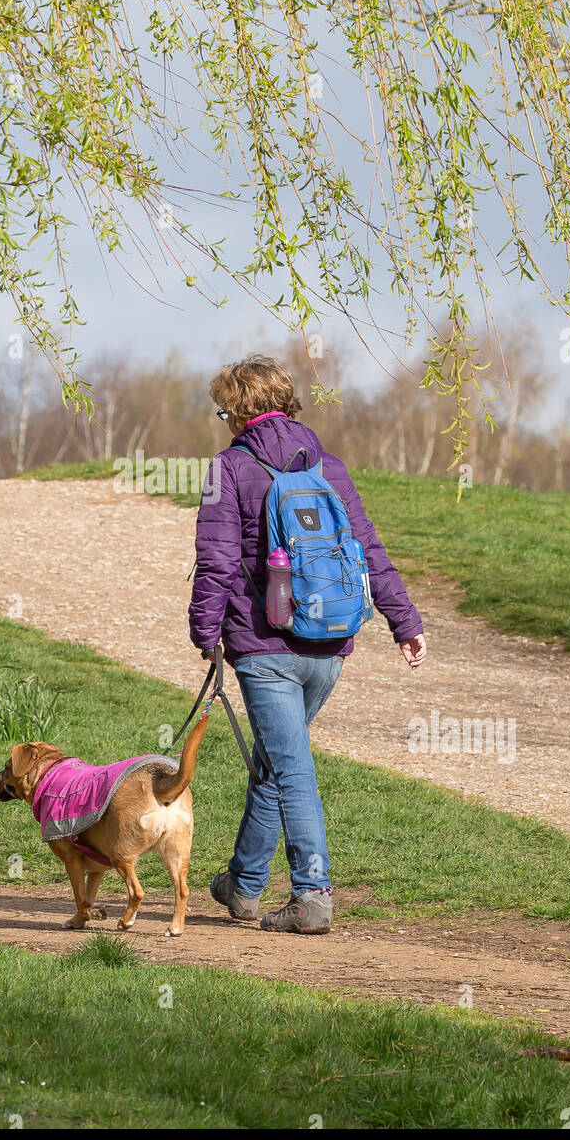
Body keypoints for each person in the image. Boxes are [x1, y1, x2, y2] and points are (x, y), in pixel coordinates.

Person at [189, 355, 426, 934]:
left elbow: (216, 564)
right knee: (276, 762)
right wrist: (404, 621)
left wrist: (205, 632)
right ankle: (243, 887)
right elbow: (369, 551)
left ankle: (312, 895)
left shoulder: (228, 469)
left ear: (238, 410)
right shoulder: (331, 468)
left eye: (224, 409)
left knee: (291, 771)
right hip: (329, 645)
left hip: (265, 648)